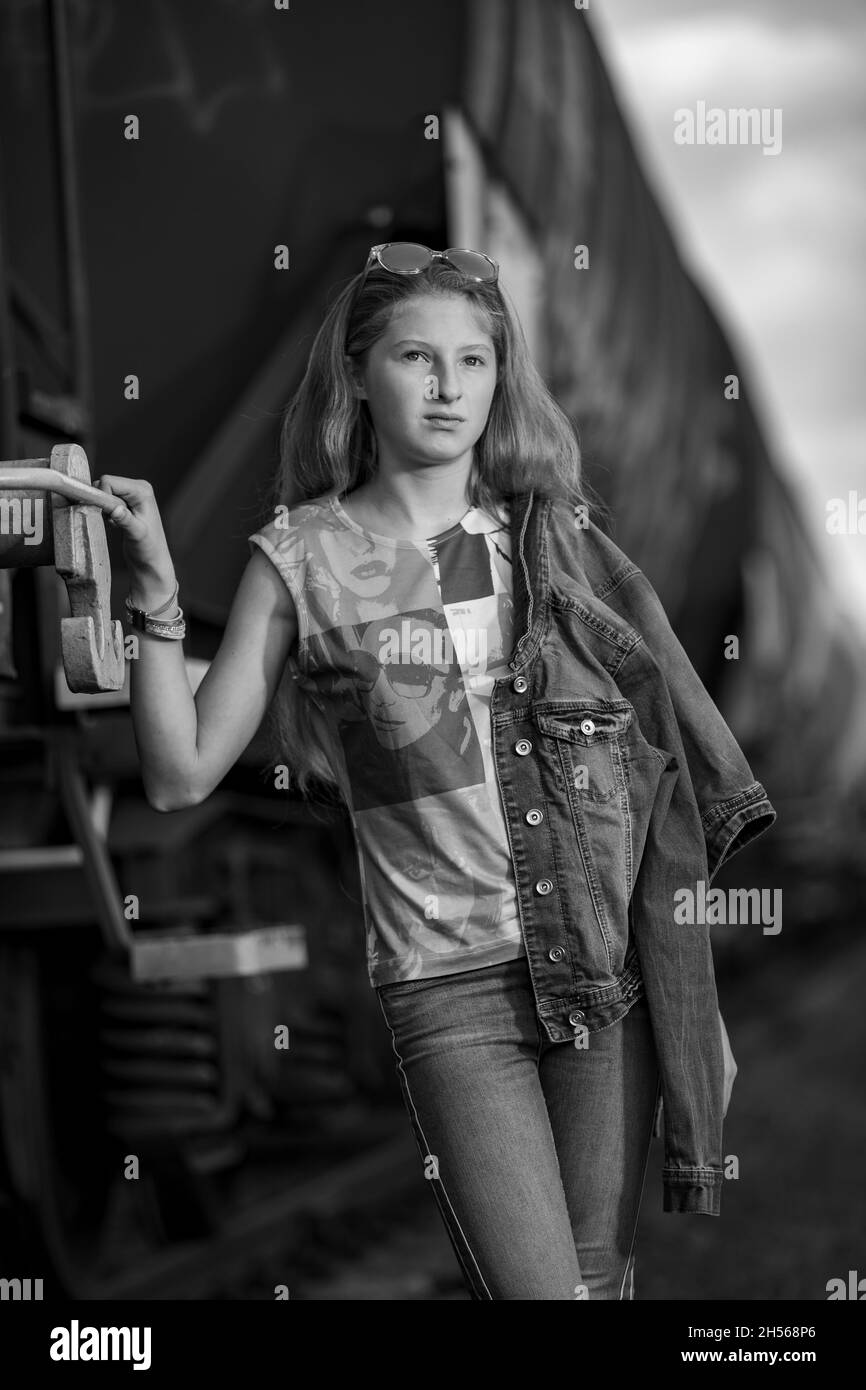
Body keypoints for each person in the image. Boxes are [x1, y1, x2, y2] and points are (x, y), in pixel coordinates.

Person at [98, 242, 742, 1300]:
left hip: (599, 973)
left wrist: (690, 1004)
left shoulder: (551, 543)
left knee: (601, 1287)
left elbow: (658, 787)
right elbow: (177, 776)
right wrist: (155, 604)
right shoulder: (303, 557)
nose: (449, 388)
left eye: (474, 361)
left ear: (500, 376)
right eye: (415, 357)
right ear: (357, 373)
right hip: (450, 992)